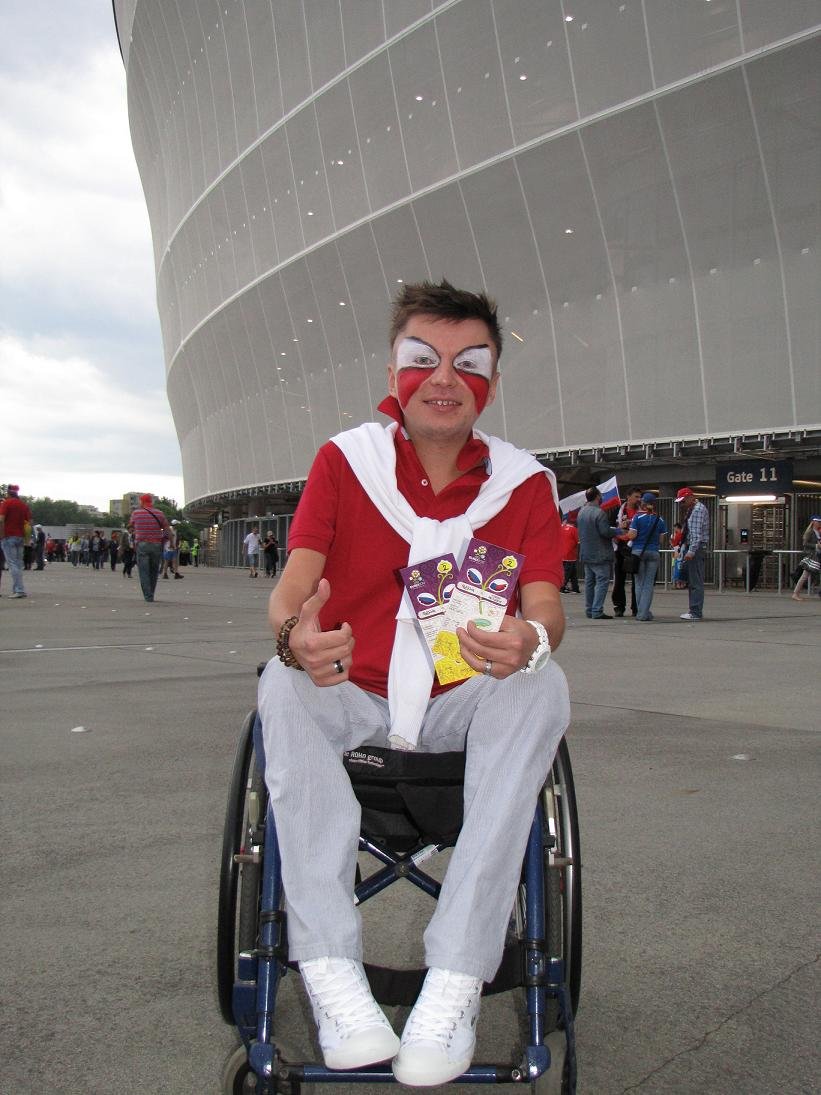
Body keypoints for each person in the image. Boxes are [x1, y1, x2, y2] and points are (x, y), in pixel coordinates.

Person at [257, 281, 569, 1086]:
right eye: (424, 359)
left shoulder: (523, 484)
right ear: (393, 369)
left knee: (541, 684)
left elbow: (544, 605)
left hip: (459, 699)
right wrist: (296, 637)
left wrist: (530, 638)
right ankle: (330, 970)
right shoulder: (346, 461)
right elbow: (292, 587)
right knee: (281, 685)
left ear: (490, 380)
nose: (444, 379)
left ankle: (456, 978)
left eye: (469, 363)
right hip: (350, 690)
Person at [576, 486, 621, 619]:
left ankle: (589, 609)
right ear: (597, 496)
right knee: (602, 581)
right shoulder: (599, 513)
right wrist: (618, 531)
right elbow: (605, 532)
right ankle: (597, 610)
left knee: (590, 582)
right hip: (600, 553)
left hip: (586, 552)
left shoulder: (582, 512)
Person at [626, 493, 667, 621]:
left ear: (643, 503)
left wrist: (626, 532)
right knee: (649, 584)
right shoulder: (660, 519)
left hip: (638, 552)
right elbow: (661, 539)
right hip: (653, 552)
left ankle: (642, 613)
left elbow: (632, 535)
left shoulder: (637, 517)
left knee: (639, 583)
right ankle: (645, 612)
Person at [676, 488, 710, 620]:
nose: (682, 504)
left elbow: (696, 534)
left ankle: (695, 612)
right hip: (694, 547)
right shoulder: (693, 509)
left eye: (683, 501)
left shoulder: (697, 511)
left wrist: (691, 551)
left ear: (690, 497)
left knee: (695, 581)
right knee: (692, 580)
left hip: (695, 548)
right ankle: (694, 610)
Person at [130, 493, 171, 602]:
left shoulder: (136, 513)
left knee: (144, 571)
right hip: (156, 545)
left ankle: (148, 596)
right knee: (154, 570)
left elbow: (131, 525)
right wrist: (170, 542)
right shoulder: (159, 513)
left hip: (142, 544)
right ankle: (151, 593)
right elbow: (167, 529)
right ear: (151, 502)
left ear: (142, 501)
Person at [612, 487, 641, 616]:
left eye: (639, 497)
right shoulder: (618, 511)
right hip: (621, 546)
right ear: (628, 496)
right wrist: (620, 529)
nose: (638, 499)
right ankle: (619, 606)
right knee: (619, 578)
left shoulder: (641, 512)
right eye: (636, 496)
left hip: (635, 546)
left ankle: (636, 607)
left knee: (637, 579)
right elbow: (611, 528)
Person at [0, 484, 33, 598]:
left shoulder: (6, 503)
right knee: (18, 564)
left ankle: (19, 590)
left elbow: (1, 519)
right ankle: (17, 589)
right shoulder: (23, 505)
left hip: (8, 536)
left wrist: (2, 534)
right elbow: (29, 522)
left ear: (8, 493)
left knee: (12, 563)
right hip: (20, 537)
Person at [791, 517, 821, 601]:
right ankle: (795, 593)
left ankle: (796, 593)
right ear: (813, 522)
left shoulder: (818, 532)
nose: (819, 523)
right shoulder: (810, 531)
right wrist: (816, 545)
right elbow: (805, 543)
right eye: (818, 522)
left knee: (806, 576)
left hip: (817, 555)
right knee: (805, 576)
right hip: (812, 556)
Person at [558, 517, 580, 593]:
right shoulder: (574, 529)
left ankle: (575, 588)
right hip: (570, 555)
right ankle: (562, 587)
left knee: (572, 572)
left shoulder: (561, 528)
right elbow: (578, 541)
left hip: (562, 554)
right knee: (567, 572)